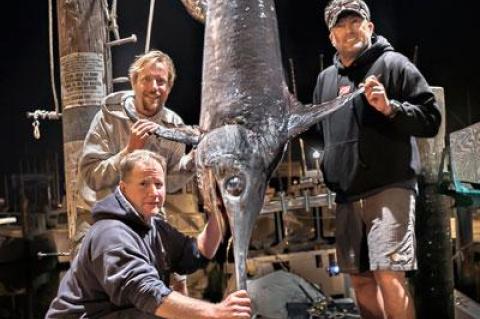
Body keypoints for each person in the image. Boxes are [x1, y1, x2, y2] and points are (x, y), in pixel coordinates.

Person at [312, 1, 441, 318]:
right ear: (332, 37)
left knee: (389, 274)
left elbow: (431, 118)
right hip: (345, 196)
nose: (349, 29)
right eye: (341, 25)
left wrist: (391, 108)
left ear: (370, 27)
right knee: (360, 280)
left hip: (389, 187)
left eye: (356, 21)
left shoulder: (394, 64)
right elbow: (319, 131)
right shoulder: (325, 81)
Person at [46, 150, 252, 319]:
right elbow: (145, 292)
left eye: (159, 185)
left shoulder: (154, 227)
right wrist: (215, 312)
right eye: (144, 184)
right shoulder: (111, 234)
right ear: (123, 188)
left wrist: (219, 214)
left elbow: (197, 252)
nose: (154, 192)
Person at [76, 50, 196, 293]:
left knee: (167, 290)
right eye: (147, 79)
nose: (154, 87)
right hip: (103, 225)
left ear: (169, 88)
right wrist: (129, 151)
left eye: (161, 81)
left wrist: (194, 160)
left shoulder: (174, 126)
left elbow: (170, 183)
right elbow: (91, 176)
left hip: (149, 226)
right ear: (134, 82)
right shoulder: (108, 118)